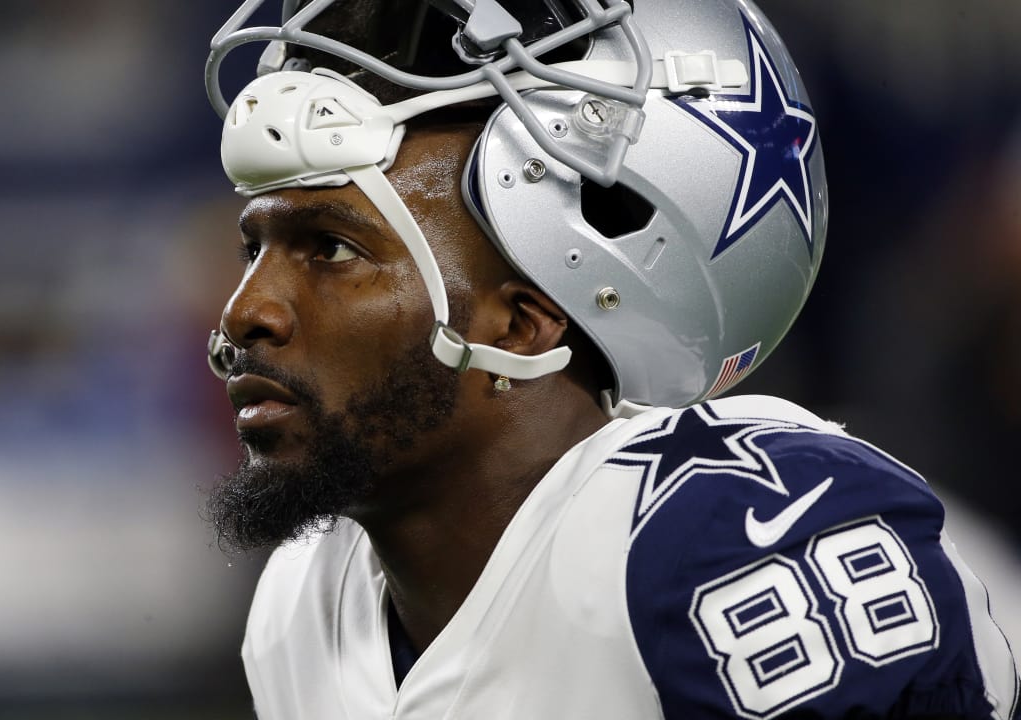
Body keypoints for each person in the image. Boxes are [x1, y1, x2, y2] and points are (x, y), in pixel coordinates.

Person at [199, 0, 1021, 717]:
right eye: (254, 248)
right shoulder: (304, 606)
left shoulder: (724, 539)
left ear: (523, 324)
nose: (246, 312)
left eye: (332, 250)